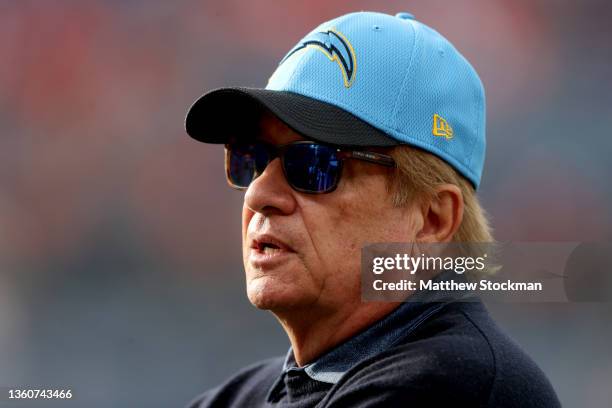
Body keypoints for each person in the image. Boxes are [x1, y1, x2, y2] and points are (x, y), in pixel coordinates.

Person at [184, 11, 560, 407]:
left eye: (314, 164)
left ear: (433, 220)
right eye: (253, 159)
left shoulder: (451, 381)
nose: (259, 193)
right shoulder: (242, 395)